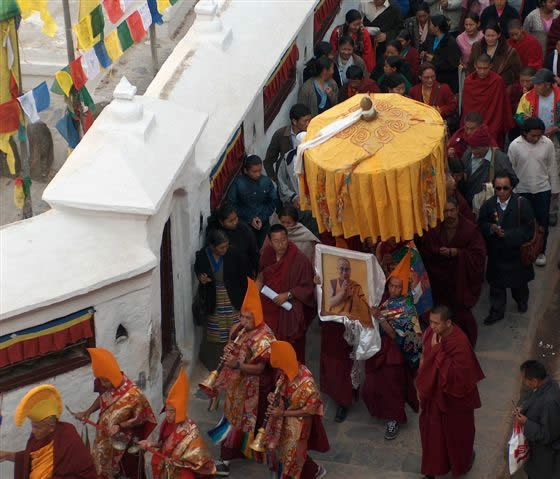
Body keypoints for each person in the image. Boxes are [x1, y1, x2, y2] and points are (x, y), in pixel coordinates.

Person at [211, 278, 276, 476]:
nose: (244, 322)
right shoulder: (239, 329)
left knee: (245, 423)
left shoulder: (265, 337)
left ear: (256, 317)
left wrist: (237, 364)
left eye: (248, 318)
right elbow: (232, 348)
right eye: (242, 317)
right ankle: (234, 454)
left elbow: (259, 369)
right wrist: (228, 352)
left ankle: (227, 459)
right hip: (236, 384)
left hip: (255, 387)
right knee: (233, 418)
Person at [417, 305, 485, 479]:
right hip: (435, 398)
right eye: (430, 322)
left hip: (455, 402)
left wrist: (438, 351)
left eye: (436, 323)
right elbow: (424, 358)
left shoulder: (459, 342)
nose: (432, 327)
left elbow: (458, 378)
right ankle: (431, 471)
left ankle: (461, 465)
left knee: (458, 438)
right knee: (432, 438)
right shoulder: (432, 334)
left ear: (448, 323)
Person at [363, 252, 422, 440]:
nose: (394, 289)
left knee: (392, 387)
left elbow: (395, 333)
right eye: (392, 285)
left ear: (404, 288)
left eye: (398, 286)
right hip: (378, 347)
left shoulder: (406, 307)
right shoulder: (383, 299)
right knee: (372, 385)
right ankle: (380, 410)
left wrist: (379, 317)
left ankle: (393, 419)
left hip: (395, 351)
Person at [74, 347, 157, 479]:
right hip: (105, 439)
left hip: (126, 444)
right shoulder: (108, 385)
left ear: (113, 377)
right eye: (100, 380)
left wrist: (120, 426)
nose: (102, 384)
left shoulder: (133, 394)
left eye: (105, 381)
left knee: (130, 473)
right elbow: (102, 396)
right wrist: (87, 412)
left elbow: (142, 417)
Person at [419, 197, 486, 346]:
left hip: (460, 282)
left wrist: (457, 253)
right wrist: (438, 251)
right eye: (445, 211)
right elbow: (427, 249)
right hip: (440, 283)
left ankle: (465, 345)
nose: (449, 214)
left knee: (461, 316)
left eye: (451, 210)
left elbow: (479, 255)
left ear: (457, 210)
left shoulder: (469, 229)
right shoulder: (436, 228)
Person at [0, 385, 98, 478]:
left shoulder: (68, 438)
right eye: (32, 426)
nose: (33, 431)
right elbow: (31, 458)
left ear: (51, 427)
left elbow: (86, 473)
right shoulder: (37, 437)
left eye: (37, 427)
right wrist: (7, 455)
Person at [264, 341, 329, 479]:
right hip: (284, 416)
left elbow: (309, 410)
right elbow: (282, 392)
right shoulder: (284, 373)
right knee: (283, 449)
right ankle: (315, 471)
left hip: (300, 423)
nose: (278, 371)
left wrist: (282, 413)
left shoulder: (307, 384)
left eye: (280, 368)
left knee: (292, 454)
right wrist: (273, 397)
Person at [478, 172, 535, 324]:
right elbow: (481, 224)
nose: (501, 192)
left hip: (516, 255)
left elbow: (529, 230)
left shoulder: (522, 204)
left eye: (505, 188)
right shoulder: (489, 205)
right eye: (498, 188)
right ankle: (497, 312)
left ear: (512, 188)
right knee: (497, 287)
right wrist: (491, 228)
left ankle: (522, 302)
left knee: (519, 285)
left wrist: (507, 235)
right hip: (497, 256)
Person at [138, 369, 216, 478]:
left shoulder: (191, 432)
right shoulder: (166, 423)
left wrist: (177, 462)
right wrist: (150, 444)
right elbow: (163, 444)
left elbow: (200, 460)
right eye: (167, 410)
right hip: (165, 468)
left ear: (179, 411)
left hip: (182, 472)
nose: (168, 415)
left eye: (172, 411)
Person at [258, 224, 316, 363]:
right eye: (276, 241)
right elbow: (260, 274)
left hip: (288, 310)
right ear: (270, 242)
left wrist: (288, 294)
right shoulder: (267, 253)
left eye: (283, 240)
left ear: (288, 238)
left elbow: (308, 285)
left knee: (290, 351)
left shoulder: (298, 259)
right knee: (268, 348)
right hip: (269, 309)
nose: (281, 245)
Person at [195, 229, 249, 370]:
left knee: (235, 329)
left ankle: (237, 361)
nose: (225, 249)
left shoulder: (233, 254)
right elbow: (198, 269)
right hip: (214, 296)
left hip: (232, 295)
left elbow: (243, 276)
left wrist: (245, 299)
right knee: (216, 330)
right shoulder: (203, 255)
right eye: (221, 247)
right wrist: (201, 277)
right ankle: (218, 363)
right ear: (212, 247)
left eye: (226, 246)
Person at [509, 117, 559, 266]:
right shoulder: (515, 146)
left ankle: (540, 251)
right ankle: (523, 250)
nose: (536, 138)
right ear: (525, 133)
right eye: (533, 135)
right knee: (521, 222)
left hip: (542, 189)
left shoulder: (547, 144)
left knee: (542, 222)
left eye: (539, 135)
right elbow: (510, 170)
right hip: (521, 190)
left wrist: (555, 189)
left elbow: (552, 167)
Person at [515, 68, 560, 226]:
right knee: (536, 171)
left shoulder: (559, 97)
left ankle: (552, 210)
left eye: (538, 84)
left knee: (554, 173)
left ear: (548, 85)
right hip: (533, 140)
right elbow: (518, 115)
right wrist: (526, 122)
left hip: (554, 141)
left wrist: (556, 128)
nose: (534, 86)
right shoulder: (527, 97)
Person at [514, 360, 560, 479]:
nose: (524, 382)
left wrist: (526, 422)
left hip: (544, 459)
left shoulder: (549, 403)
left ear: (534, 381)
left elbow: (548, 435)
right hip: (537, 453)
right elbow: (533, 398)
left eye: (525, 379)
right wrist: (523, 408)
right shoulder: (547, 383)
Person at [462, 54, 515, 147]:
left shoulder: (497, 81)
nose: (482, 71)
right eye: (479, 68)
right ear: (475, 66)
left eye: (485, 68)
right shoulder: (468, 81)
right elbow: (467, 107)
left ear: (491, 66)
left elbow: (502, 105)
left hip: (492, 123)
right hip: (472, 124)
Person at [226, 155, 277, 248]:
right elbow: (231, 205)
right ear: (246, 170)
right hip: (244, 226)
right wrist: (250, 218)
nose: (258, 174)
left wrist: (262, 217)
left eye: (259, 171)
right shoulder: (238, 184)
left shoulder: (266, 182)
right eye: (254, 171)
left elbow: (273, 202)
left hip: (264, 224)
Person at [462, 126, 518, 209]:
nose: (474, 151)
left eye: (477, 148)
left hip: (491, 206)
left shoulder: (500, 159)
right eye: (472, 148)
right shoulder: (467, 155)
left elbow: (513, 180)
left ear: (486, 146)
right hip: (468, 204)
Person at [207, 202, 259, 279]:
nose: (235, 222)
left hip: (244, 272)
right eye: (231, 221)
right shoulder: (216, 234)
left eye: (236, 218)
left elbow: (253, 251)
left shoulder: (244, 229)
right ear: (221, 222)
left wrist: (255, 270)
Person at [264, 103, 311, 180]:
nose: (308, 124)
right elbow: (268, 161)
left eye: (309, 120)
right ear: (294, 121)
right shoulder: (280, 135)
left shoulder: (312, 133)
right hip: (287, 179)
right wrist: (275, 180)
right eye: (305, 121)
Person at [467, 23, 521, 87]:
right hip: (478, 85)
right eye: (488, 35)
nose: (490, 39)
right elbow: (470, 65)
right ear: (484, 35)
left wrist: (500, 80)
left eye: (493, 36)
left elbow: (516, 71)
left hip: (499, 86)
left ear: (498, 35)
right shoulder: (476, 47)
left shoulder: (509, 51)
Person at [423, 14, 461, 92]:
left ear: (436, 27)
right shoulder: (431, 38)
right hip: (432, 80)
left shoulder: (450, 43)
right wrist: (423, 53)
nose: (429, 26)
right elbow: (424, 48)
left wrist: (434, 59)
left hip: (446, 82)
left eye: (431, 25)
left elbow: (453, 64)